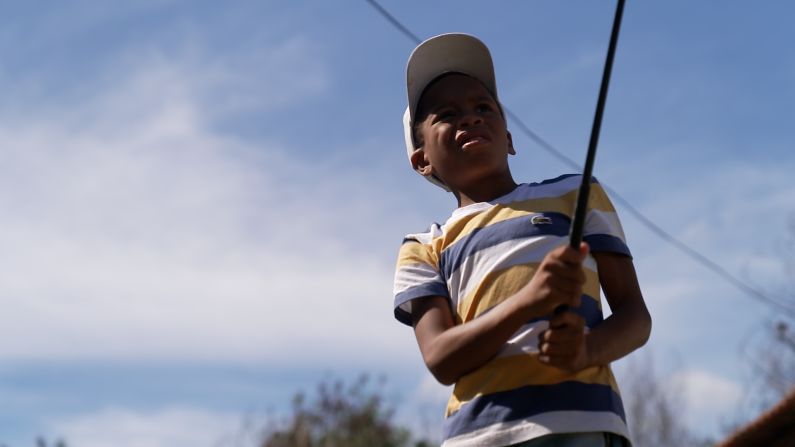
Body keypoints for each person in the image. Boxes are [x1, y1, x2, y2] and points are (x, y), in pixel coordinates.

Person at [392, 33, 652, 447]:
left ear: (510, 139)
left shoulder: (576, 195)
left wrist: (586, 350)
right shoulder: (424, 247)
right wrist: (529, 301)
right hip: (478, 436)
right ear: (421, 160)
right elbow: (440, 358)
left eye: (483, 107)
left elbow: (635, 317)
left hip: (581, 422)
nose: (471, 117)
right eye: (447, 113)